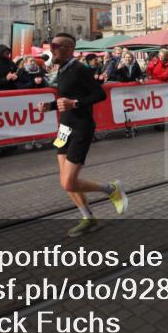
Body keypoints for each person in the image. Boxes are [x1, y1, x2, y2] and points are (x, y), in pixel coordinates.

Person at [47, 33, 128, 237]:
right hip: (64, 129)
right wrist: (48, 106)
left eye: (55, 45)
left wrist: (74, 103)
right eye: (51, 45)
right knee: (64, 180)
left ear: (68, 48)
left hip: (81, 128)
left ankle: (111, 190)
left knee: (68, 182)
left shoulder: (80, 69)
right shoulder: (62, 70)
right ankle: (88, 218)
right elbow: (66, 98)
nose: (51, 49)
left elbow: (100, 94)